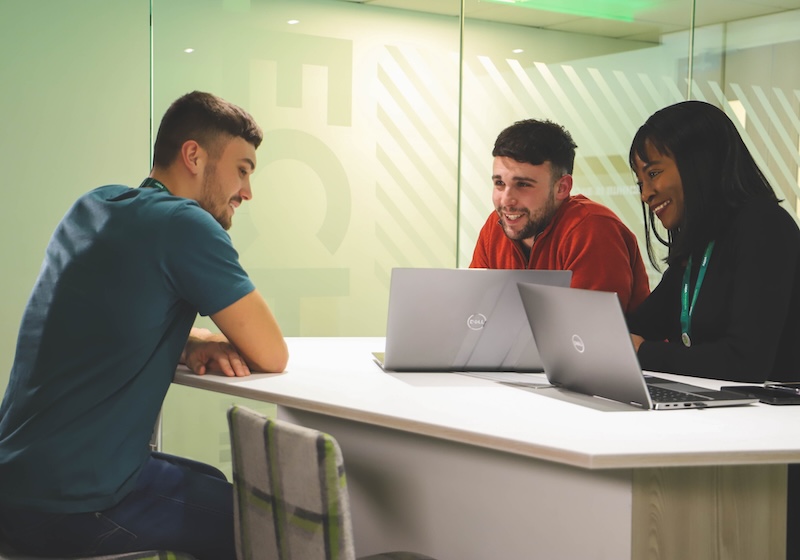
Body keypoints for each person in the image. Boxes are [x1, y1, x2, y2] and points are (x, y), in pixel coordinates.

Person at [0, 91, 288, 559]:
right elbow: (272, 353)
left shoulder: (94, 205)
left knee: (210, 480)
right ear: (193, 155)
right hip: (75, 504)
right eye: (242, 169)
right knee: (267, 528)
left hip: (13, 484)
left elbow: (102, 319)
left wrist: (187, 340)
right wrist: (197, 338)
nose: (247, 191)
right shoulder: (186, 225)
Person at [626, 100, 800, 382]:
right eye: (640, 183)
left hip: (769, 407)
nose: (645, 194)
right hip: (719, 403)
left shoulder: (764, 226)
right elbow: (641, 324)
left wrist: (644, 352)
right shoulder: (700, 242)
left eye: (653, 174)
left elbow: (745, 363)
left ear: (699, 163)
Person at [470, 118, 650, 314]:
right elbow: (475, 315)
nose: (506, 200)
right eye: (499, 183)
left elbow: (589, 328)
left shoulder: (593, 229)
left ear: (562, 188)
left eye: (522, 185)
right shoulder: (495, 226)